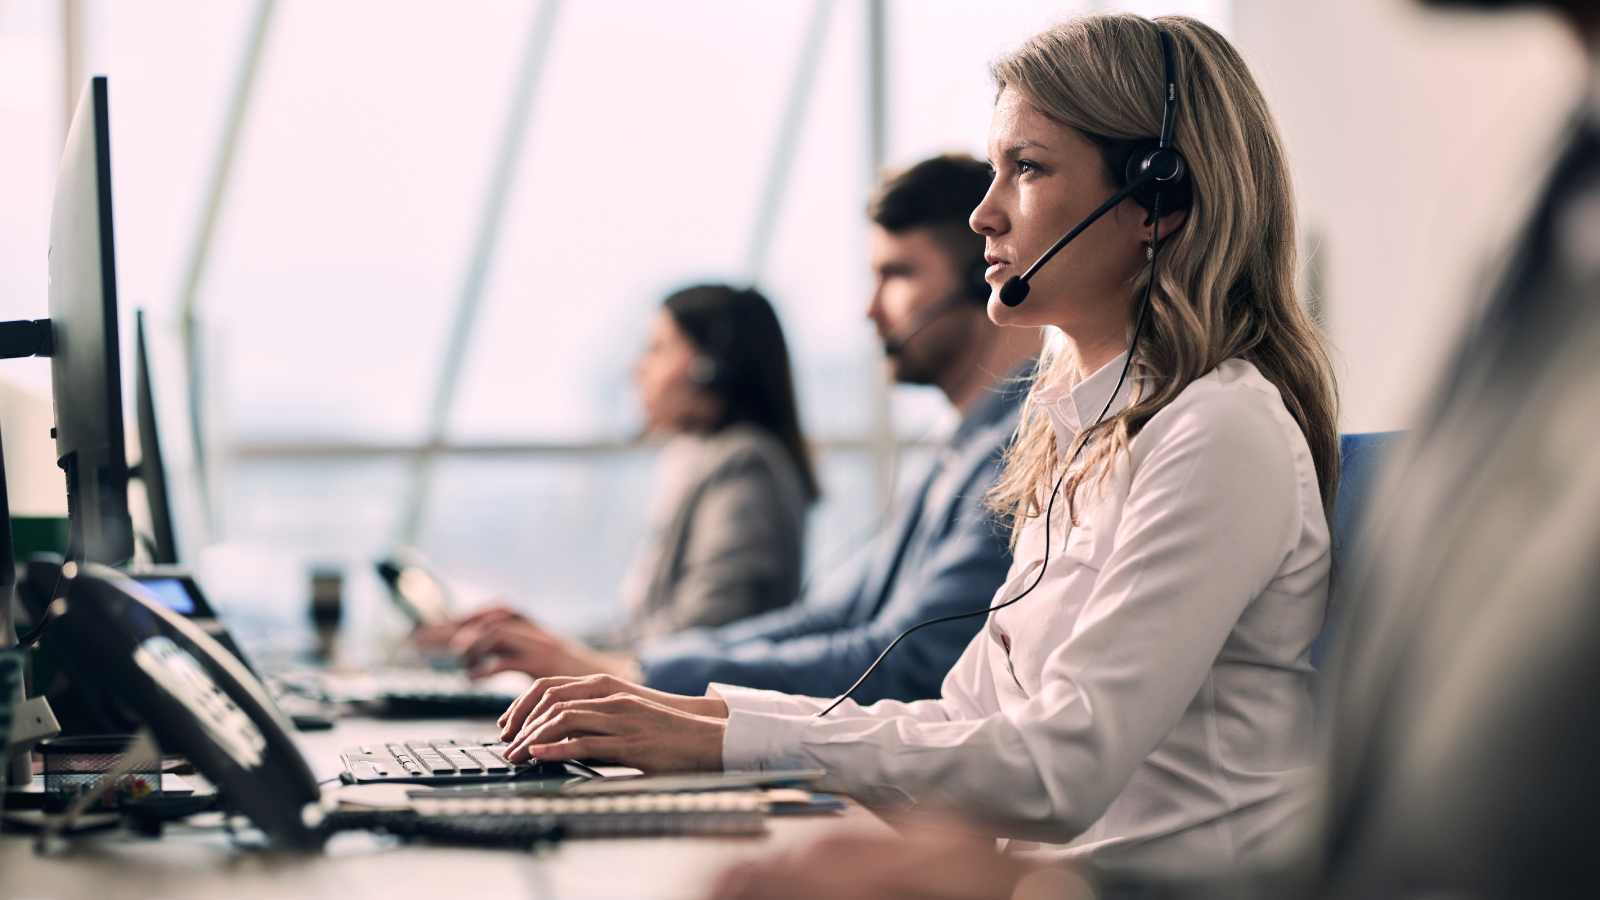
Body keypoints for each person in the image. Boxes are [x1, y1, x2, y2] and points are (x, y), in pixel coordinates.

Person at [496, 12, 1341, 875]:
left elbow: (1060, 771)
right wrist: (699, 722)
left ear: (1156, 200)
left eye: (1028, 168)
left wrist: (722, 744)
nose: (984, 214)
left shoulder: (1217, 431)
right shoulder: (1079, 434)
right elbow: (962, 715)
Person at [440, 154, 1040, 702]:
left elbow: (912, 662)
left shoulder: (1017, 447)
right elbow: (828, 618)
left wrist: (632, 673)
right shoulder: (953, 450)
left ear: (980, 277)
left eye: (897, 274)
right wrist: (627, 664)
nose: (870, 310)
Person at [422, 285, 817, 673]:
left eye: (657, 348)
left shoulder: (744, 464)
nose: (637, 367)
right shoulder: (695, 459)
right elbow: (644, 630)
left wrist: (562, 652)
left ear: (710, 370)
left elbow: (708, 629)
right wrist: (539, 639)